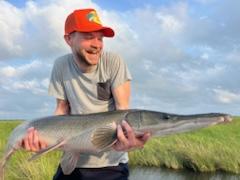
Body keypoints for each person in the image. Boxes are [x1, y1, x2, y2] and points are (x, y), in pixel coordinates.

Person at [21, 8, 151, 180]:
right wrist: (43, 139)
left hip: (110, 163)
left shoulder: (113, 62)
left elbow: (123, 110)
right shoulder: (60, 65)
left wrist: (131, 141)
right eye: (89, 37)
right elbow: (61, 110)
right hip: (72, 159)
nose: (97, 44)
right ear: (69, 39)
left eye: (100, 38)